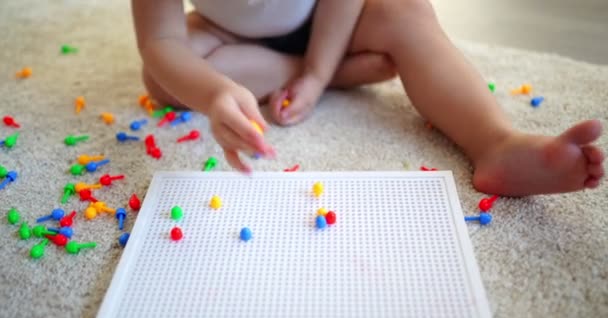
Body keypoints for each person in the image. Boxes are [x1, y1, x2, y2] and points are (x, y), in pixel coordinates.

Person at [132, 0, 604, 196]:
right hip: (229, 36)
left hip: (338, 20)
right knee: (162, 79)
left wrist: (318, 72)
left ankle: (496, 142)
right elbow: (161, 42)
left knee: (407, 12)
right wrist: (215, 92)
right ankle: (339, 74)